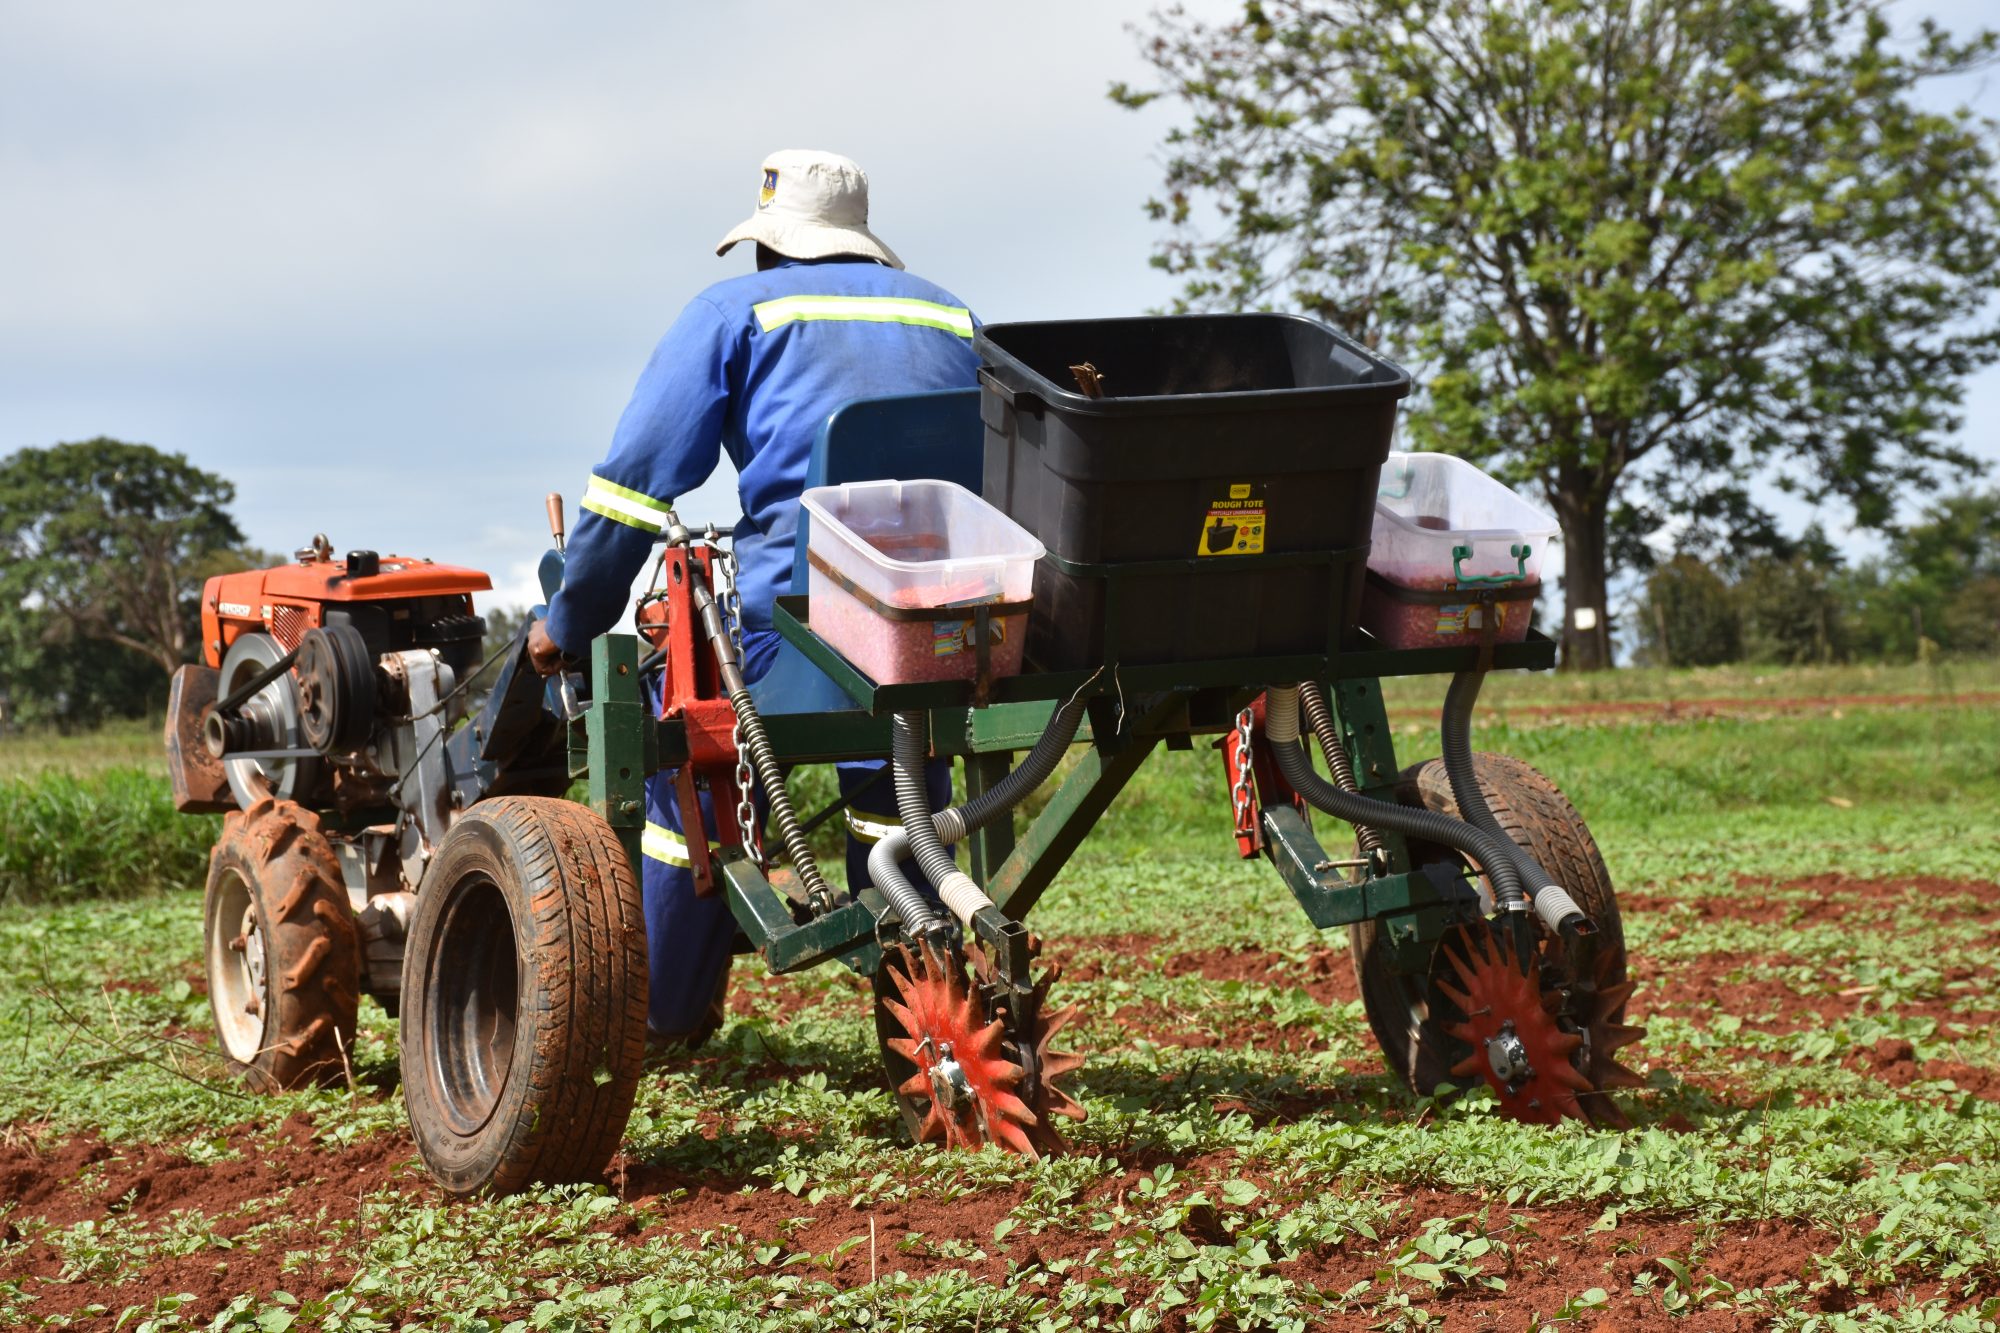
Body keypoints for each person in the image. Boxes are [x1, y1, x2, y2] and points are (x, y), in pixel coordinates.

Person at [528, 149, 975, 1043]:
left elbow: (632, 488)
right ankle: (918, 1005)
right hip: (940, 621)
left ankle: (667, 1015)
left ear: (770, 246)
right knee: (897, 785)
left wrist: (569, 621)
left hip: (796, 625)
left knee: (683, 763)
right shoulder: (947, 312)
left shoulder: (735, 310)